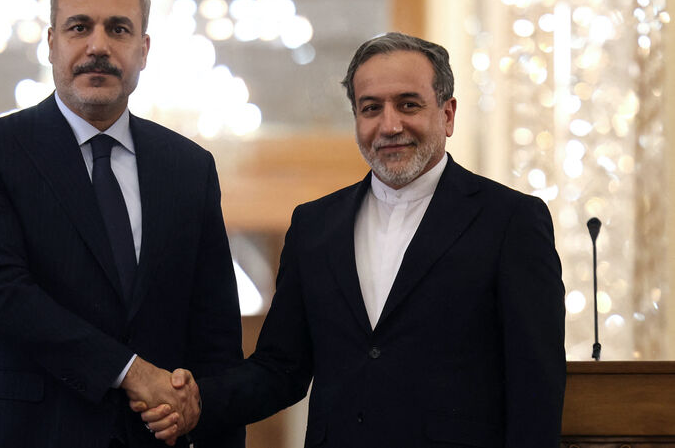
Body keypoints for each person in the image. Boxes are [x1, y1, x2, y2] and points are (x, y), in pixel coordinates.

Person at [140, 32, 566, 447]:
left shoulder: (510, 220)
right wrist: (196, 402)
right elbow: (280, 369)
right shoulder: (314, 225)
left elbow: (536, 384)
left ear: (448, 114)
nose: (390, 124)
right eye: (371, 108)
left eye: (408, 105)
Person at [0, 0, 243, 447]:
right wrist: (130, 372)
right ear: (51, 43)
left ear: (143, 51)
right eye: (79, 27)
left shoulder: (189, 167)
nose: (98, 46)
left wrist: (204, 412)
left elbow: (216, 335)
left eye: (118, 30)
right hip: (26, 435)